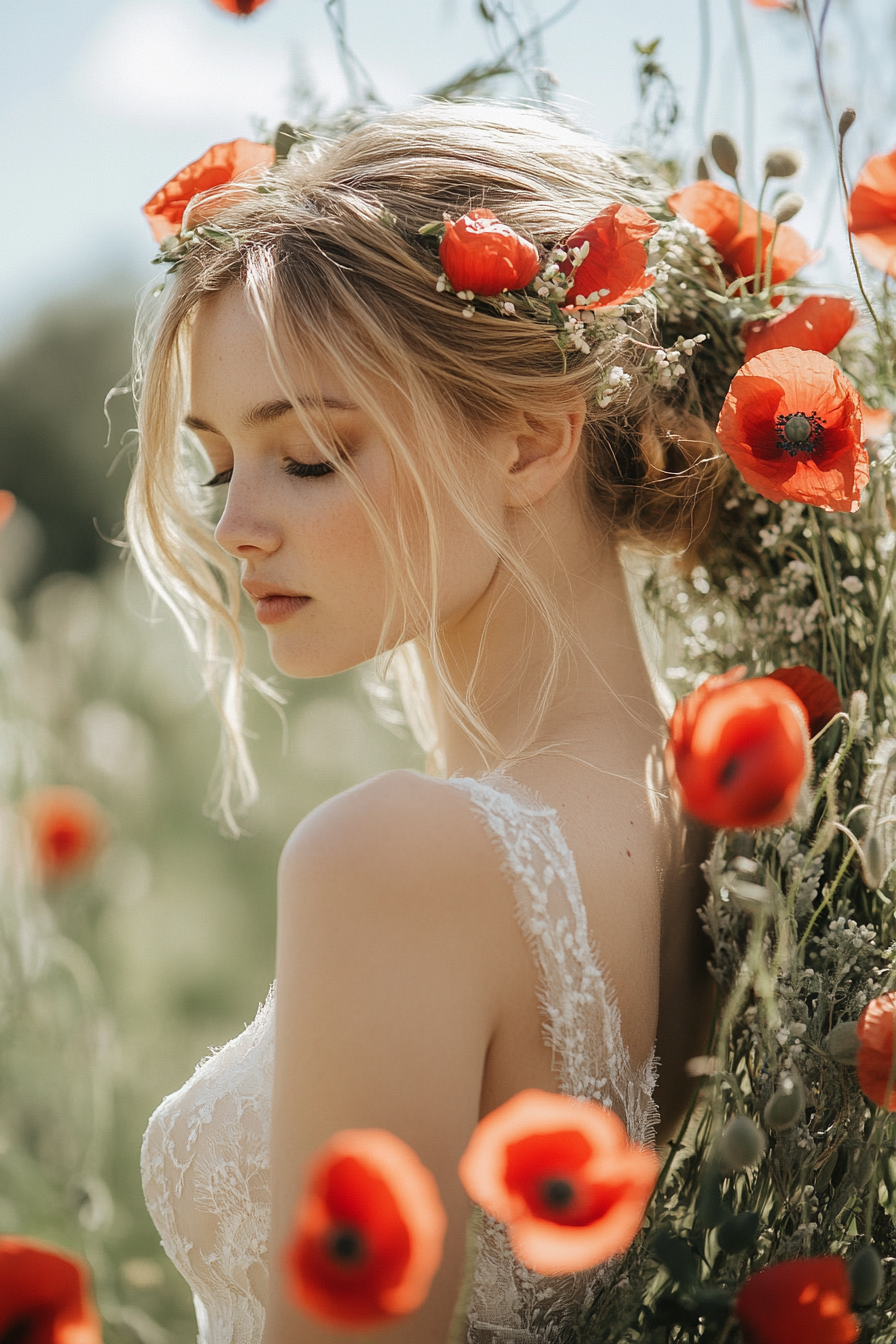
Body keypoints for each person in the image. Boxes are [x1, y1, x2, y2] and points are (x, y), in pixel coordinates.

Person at [134, 103, 725, 1344]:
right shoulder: (742, 814)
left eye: (304, 454)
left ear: (528, 438)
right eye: (213, 464)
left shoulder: (399, 861)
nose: (234, 525)